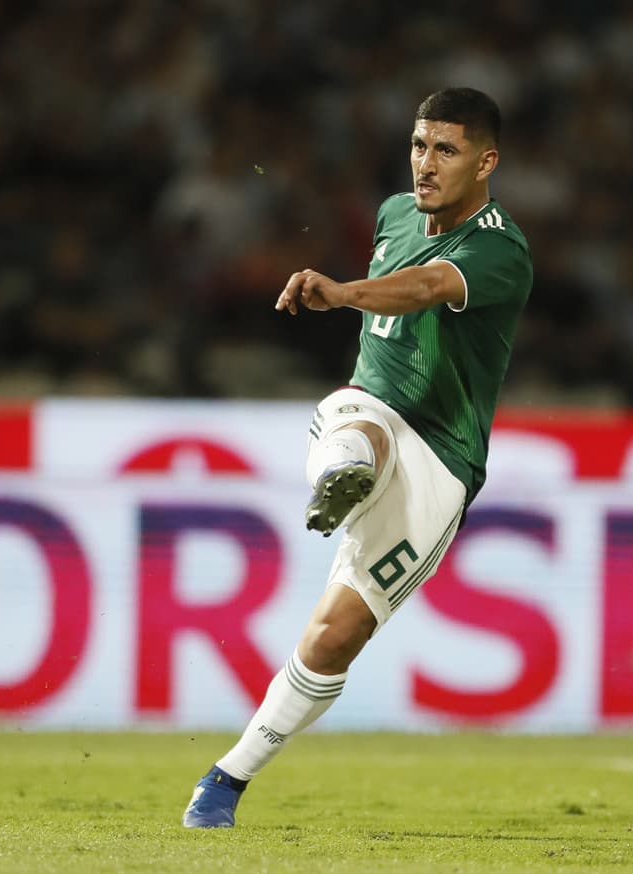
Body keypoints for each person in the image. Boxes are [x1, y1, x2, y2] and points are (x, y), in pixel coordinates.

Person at [182, 87, 533, 828]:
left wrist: (343, 293)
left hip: (444, 454)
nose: (425, 163)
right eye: (418, 144)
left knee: (334, 636)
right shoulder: (394, 214)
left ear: (486, 161)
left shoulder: (501, 247)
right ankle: (346, 473)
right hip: (373, 403)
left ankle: (226, 779)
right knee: (359, 433)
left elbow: (431, 286)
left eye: (447, 149)